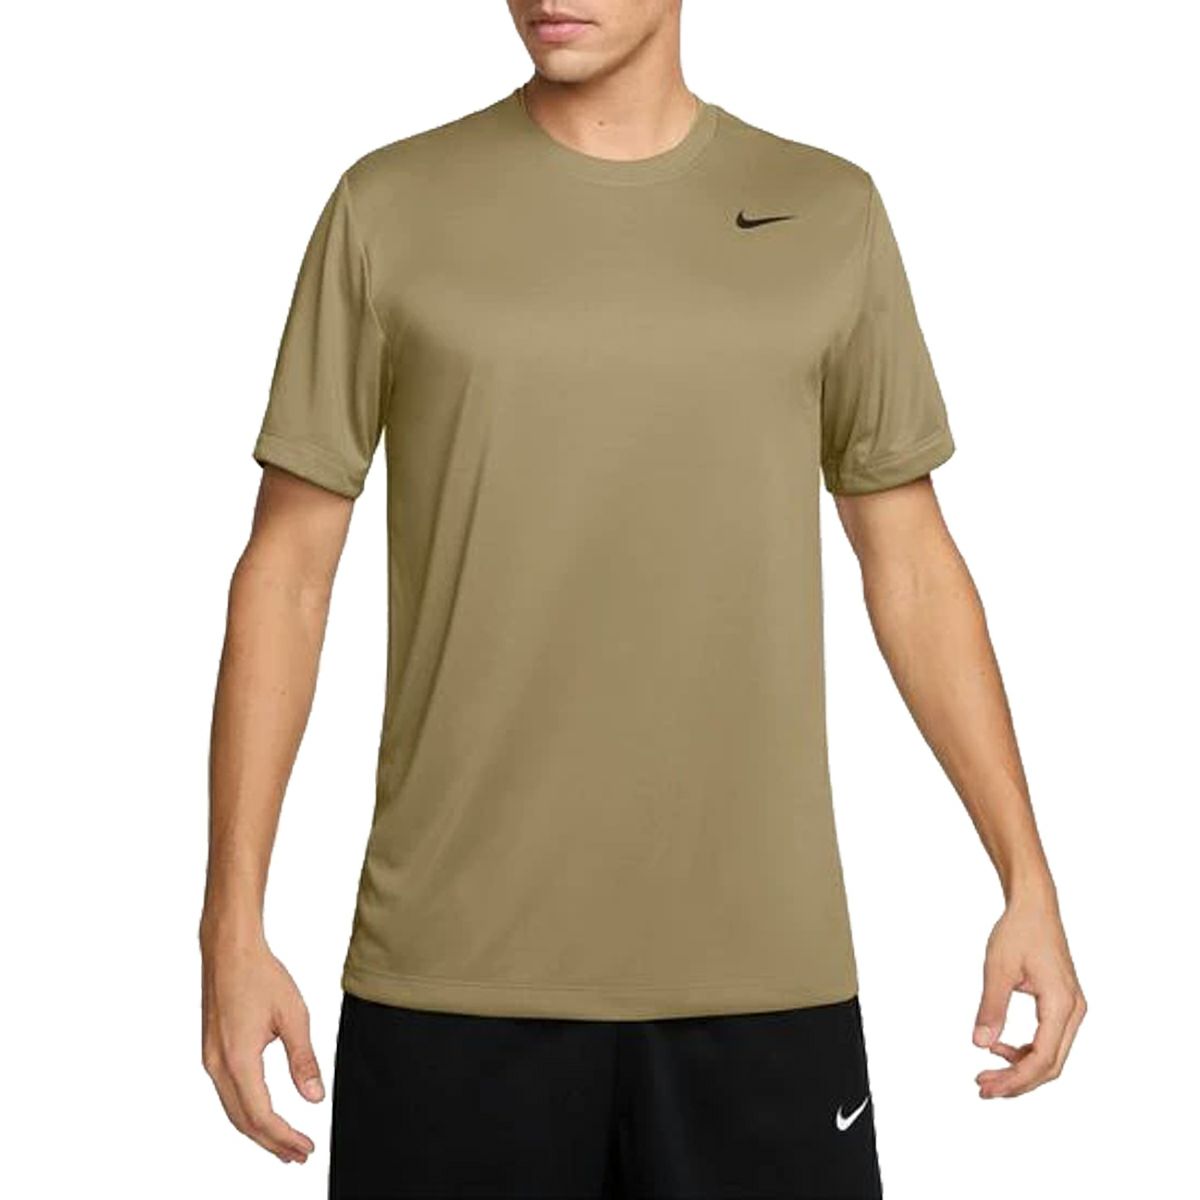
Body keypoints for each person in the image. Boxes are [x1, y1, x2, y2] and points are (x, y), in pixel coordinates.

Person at [200, 2, 1087, 1195]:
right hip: (452, 980)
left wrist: (1026, 879)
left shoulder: (828, 211)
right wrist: (231, 923)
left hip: (764, 982)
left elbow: (914, 566)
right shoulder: (389, 208)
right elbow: (287, 577)